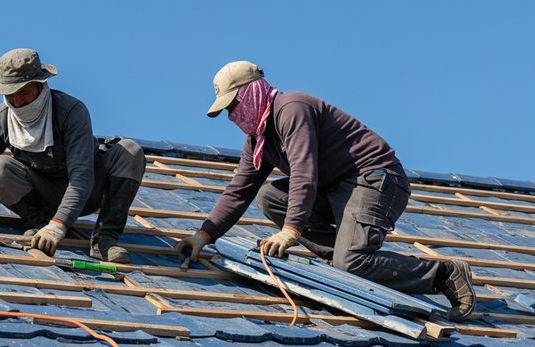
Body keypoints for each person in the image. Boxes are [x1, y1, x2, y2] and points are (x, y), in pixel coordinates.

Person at [175, 61, 476, 321]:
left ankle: (445, 274)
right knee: (271, 197)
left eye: (233, 105)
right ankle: (345, 257)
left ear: (251, 92)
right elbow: (239, 190)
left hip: (374, 180)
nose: (232, 116)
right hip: (335, 188)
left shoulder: (290, 109)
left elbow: (304, 170)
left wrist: (291, 230)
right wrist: (204, 236)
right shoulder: (259, 139)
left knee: (353, 263)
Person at [0, 48, 145, 263]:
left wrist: (59, 224)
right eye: (10, 94)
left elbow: (81, 175)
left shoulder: (70, 111)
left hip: (87, 190)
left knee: (130, 151)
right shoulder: (0, 119)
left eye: (23, 92)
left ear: (41, 85)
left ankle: (105, 239)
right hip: (41, 192)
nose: (17, 101)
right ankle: (41, 224)